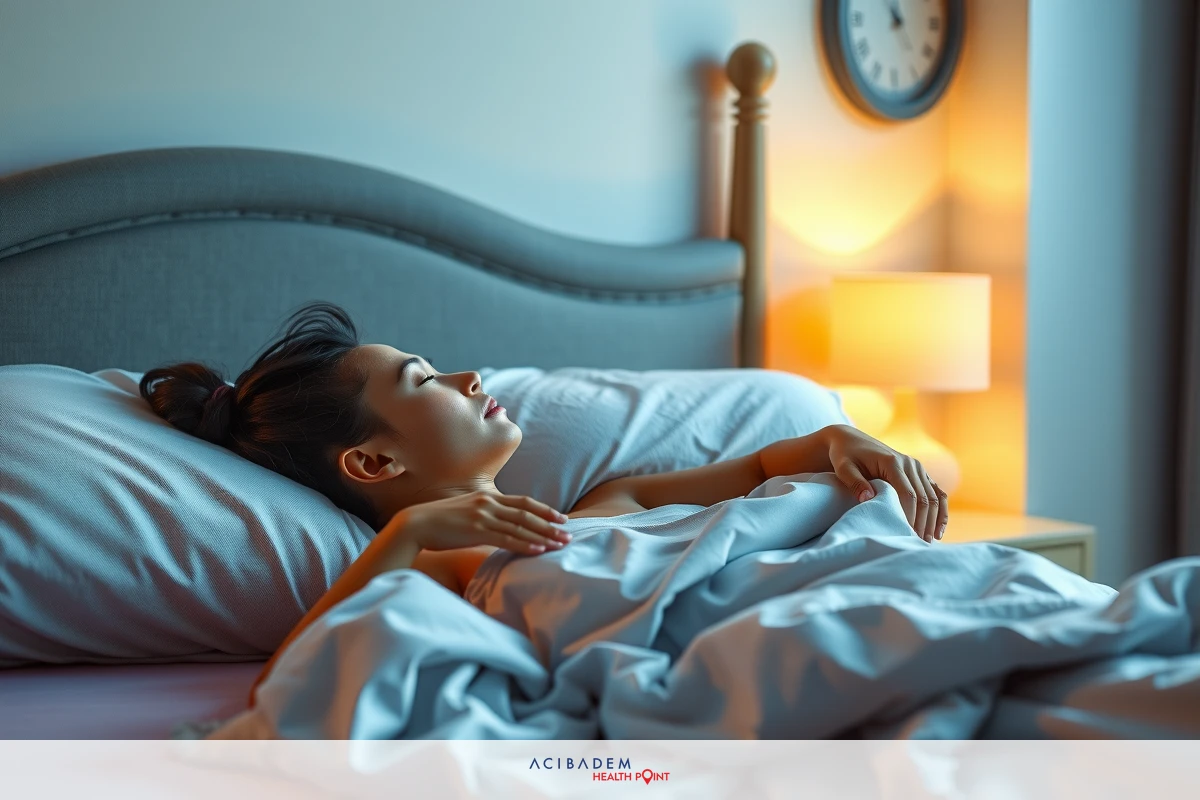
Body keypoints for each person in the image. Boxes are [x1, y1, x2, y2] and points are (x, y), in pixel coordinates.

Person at [141, 301, 948, 698]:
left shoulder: (611, 499)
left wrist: (846, 443)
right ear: (373, 460)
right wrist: (411, 536)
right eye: (425, 381)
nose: (468, 380)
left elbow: (772, 461)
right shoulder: (439, 570)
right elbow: (286, 686)